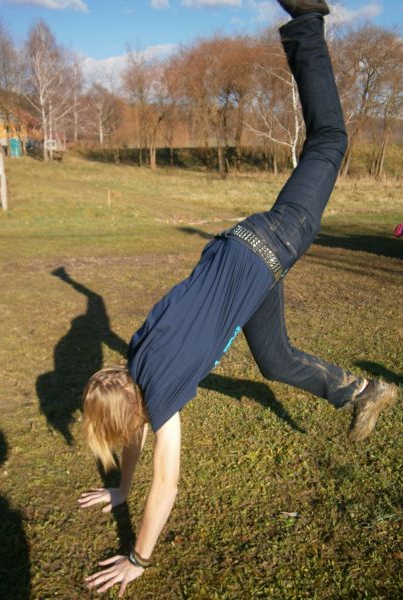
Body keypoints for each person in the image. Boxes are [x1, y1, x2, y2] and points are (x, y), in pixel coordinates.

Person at [79, 1, 398, 595]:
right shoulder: (137, 355)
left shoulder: (165, 397)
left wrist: (139, 560)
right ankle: (363, 390)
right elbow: (133, 436)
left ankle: (306, 20)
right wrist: (121, 488)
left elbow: (166, 484)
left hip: (275, 241)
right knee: (274, 360)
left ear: (136, 413)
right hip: (244, 256)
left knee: (330, 137)